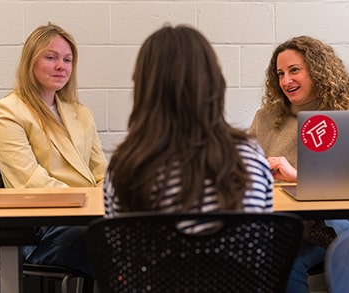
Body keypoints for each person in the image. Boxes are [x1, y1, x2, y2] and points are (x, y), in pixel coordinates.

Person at [104, 24, 273, 219]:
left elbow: (117, 246)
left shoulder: (124, 167)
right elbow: (263, 242)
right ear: (214, 83)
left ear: (143, 88)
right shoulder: (250, 159)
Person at [249, 35, 349, 293]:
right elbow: (243, 168)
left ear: (317, 70)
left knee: (283, 261)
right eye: (280, 74)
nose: (286, 81)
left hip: (324, 231)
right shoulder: (266, 118)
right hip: (272, 226)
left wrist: (297, 176)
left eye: (294, 70)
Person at [0, 23, 107, 277]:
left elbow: (100, 170)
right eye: (51, 58)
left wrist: (112, 203)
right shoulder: (6, 112)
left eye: (67, 59)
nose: (61, 66)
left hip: (89, 217)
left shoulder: (81, 113)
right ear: (31, 62)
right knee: (119, 247)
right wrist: (92, 206)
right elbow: (31, 182)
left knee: (142, 234)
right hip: (40, 229)